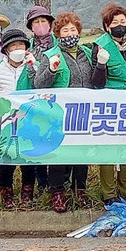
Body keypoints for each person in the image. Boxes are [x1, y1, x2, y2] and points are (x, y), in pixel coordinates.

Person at [30, 12, 99, 213]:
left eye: (73, 30)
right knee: (60, 154)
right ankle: (57, 193)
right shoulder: (51, 54)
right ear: (58, 34)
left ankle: (80, 191)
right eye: (65, 30)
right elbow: (38, 84)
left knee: (81, 154)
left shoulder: (86, 53)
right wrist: (51, 70)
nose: (70, 34)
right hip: (60, 114)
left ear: (79, 31)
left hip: (85, 112)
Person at [92, 3, 126, 204]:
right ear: (107, 26)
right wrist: (101, 64)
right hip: (109, 105)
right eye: (115, 22)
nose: (120, 25)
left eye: (123, 22)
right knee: (107, 150)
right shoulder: (100, 45)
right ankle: (109, 194)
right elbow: (96, 82)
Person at [0, 29, 36, 209]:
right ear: (6, 49)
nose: (18, 48)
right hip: (4, 121)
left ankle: (27, 196)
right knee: (5, 158)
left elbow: (42, 85)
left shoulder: (32, 65)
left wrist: (34, 67)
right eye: (13, 45)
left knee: (28, 159)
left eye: (21, 45)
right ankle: (7, 196)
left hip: (28, 119)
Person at [24, 5, 54, 194]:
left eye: (44, 21)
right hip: (36, 106)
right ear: (31, 26)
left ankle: (61, 183)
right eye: (36, 22)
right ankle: (42, 184)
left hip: (57, 103)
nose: (41, 25)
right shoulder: (28, 50)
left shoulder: (59, 46)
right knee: (39, 143)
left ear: (50, 24)